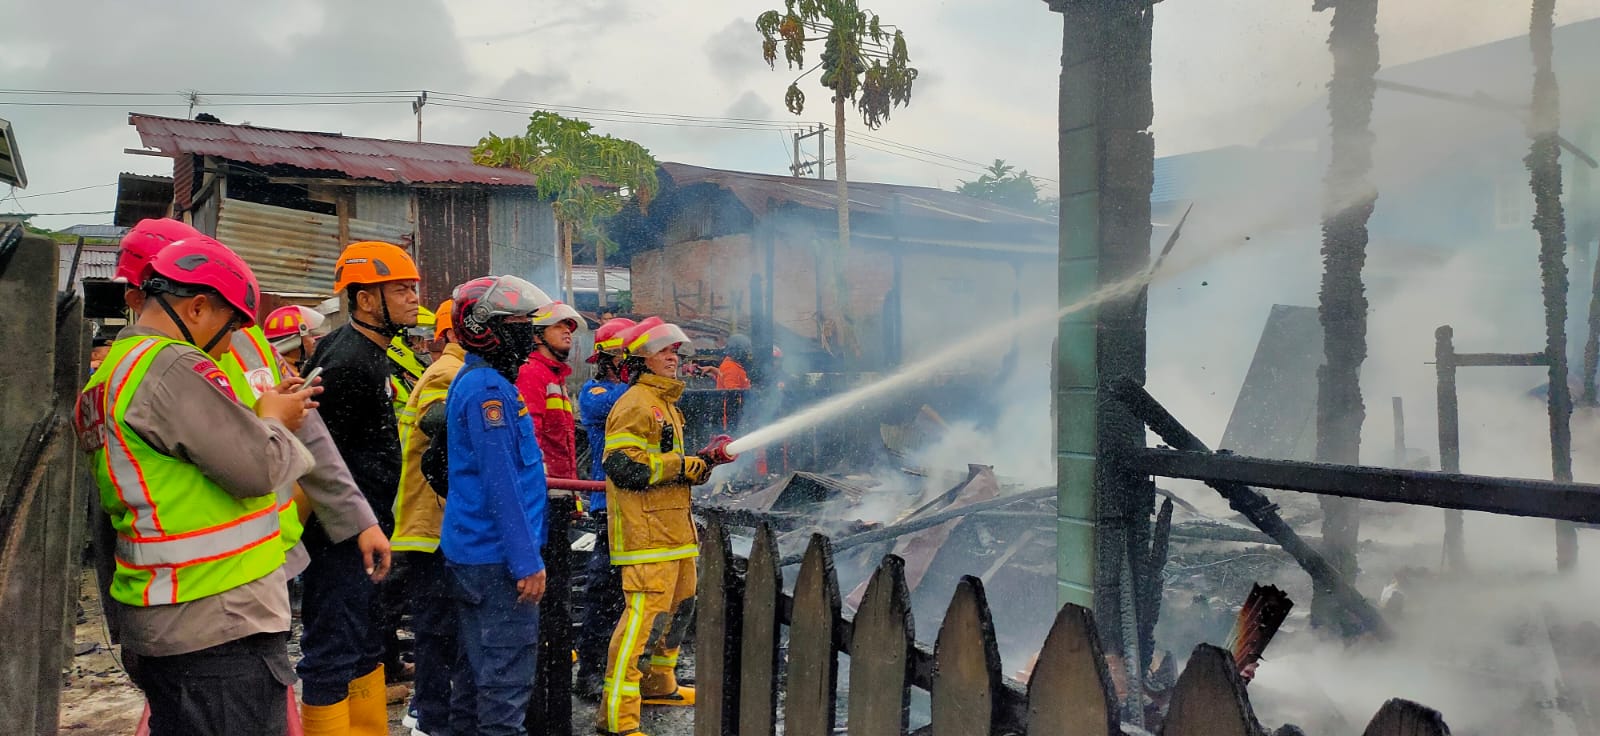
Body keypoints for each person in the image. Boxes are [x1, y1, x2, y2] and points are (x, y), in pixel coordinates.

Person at [112, 220, 392, 735]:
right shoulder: (168, 364)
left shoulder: (242, 343)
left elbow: (307, 427)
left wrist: (356, 519)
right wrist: (270, 418)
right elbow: (259, 456)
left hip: (255, 575)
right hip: (211, 602)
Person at [74, 235, 320, 736]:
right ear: (200, 307)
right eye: (231, 330)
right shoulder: (171, 365)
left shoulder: (110, 375)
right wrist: (274, 419)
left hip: (168, 617)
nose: (231, 346)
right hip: (217, 622)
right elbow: (257, 469)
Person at [298, 241, 421, 734]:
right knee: (332, 646)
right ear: (367, 299)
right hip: (341, 534)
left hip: (368, 525)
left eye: (413, 287)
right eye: (401, 289)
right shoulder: (349, 360)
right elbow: (316, 456)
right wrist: (352, 525)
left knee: (367, 640)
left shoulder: (369, 352)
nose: (414, 298)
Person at [597, 317, 727, 736]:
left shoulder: (667, 403)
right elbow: (622, 467)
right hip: (646, 537)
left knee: (681, 606)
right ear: (640, 359)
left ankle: (659, 684)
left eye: (676, 351)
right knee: (641, 623)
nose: (674, 357)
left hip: (674, 533)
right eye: (664, 351)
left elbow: (668, 467)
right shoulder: (634, 403)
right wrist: (680, 466)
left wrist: (699, 466)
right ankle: (618, 719)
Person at [440, 275, 556, 736]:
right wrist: (526, 562)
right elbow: (501, 484)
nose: (528, 334)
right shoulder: (489, 391)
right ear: (486, 327)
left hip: (474, 554)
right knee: (505, 689)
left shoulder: (475, 380)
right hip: (497, 561)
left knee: (474, 678)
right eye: (519, 324)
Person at [392, 298, 475, 736]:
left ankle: (428, 710)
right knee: (439, 627)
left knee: (437, 627)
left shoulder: (452, 370)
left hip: (433, 521)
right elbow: (440, 423)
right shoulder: (449, 372)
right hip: (434, 523)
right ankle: (430, 715)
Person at [573, 317, 635, 698]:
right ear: (608, 357)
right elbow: (626, 404)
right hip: (608, 505)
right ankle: (590, 671)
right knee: (604, 590)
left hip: (642, 505)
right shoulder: (595, 394)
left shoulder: (642, 395)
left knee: (637, 592)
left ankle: (625, 666)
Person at [262, 305, 327, 374]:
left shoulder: (280, 366)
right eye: (310, 335)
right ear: (296, 342)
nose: (314, 341)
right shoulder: (288, 373)